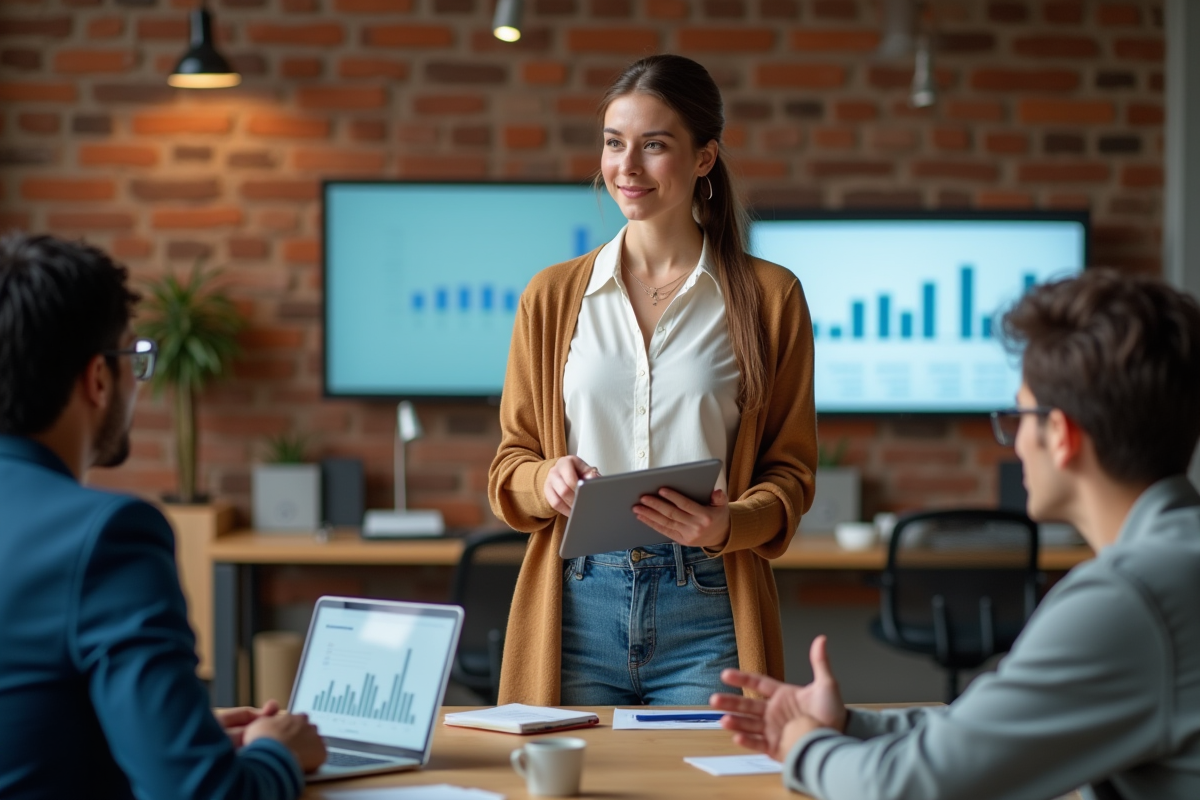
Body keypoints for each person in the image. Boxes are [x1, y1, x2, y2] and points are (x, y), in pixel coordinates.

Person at [710, 269, 1200, 800]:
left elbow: (912, 788)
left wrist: (803, 743)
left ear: (1060, 435)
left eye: (1019, 416)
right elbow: (978, 733)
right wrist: (849, 725)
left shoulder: (1128, 600)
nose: (1015, 443)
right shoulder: (1175, 561)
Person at [488, 53, 817, 706]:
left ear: (704, 159)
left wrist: (728, 525)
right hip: (576, 604)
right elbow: (509, 466)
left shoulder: (770, 297)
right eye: (614, 143)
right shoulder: (552, 296)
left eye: (654, 145)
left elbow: (792, 476)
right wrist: (544, 476)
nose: (626, 168)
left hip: (707, 603)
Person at [0, 234, 326, 799]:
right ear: (98, 378)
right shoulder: (104, 537)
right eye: (134, 357)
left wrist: (180, 742)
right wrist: (279, 752)